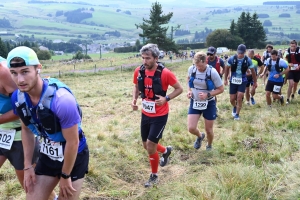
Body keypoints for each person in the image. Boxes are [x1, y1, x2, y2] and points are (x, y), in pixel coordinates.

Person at [7, 46, 89, 200]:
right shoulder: (18, 98)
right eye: (14, 73)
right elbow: (26, 129)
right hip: (48, 153)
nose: (20, 80)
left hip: (74, 155)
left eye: (25, 71)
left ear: (38, 68)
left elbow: (73, 142)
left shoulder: (62, 100)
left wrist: (65, 175)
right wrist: (28, 166)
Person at [0, 57, 57, 200]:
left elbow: (23, 105)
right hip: (1, 133)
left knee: (31, 187)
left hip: (19, 135)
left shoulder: (5, 72)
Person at [131, 43, 183, 187]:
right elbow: (136, 86)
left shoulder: (165, 73)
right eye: (143, 58)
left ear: (156, 58)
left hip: (160, 115)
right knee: (146, 145)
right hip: (145, 113)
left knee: (150, 145)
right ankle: (166, 151)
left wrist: (166, 98)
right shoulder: (139, 71)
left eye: (147, 58)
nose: (144, 61)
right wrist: (134, 99)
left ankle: (154, 175)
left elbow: (179, 89)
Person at [187, 52, 224, 151]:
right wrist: (189, 91)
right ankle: (200, 136)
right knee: (191, 128)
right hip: (195, 102)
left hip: (209, 103)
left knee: (209, 130)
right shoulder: (192, 69)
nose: (198, 68)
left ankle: (209, 145)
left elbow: (221, 89)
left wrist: (207, 94)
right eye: (196, 65)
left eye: (200, 65)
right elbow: (188, 80)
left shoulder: (212, 72)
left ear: (205, 61)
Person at [224, 44, 257, 120]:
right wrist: (225, 79)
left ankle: (237, 114)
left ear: (245, 52)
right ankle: (235, 107)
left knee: (239, 97)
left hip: (243, 80)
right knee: (232, 99)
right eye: (239, 53)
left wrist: (255, 82)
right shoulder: (231, 59)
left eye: (242, 53)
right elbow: (226, 68)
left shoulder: (248, 60)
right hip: (233, 80)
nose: (240, 55)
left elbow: (253, 71)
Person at [206, 46, 225, 116]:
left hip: (215, 80)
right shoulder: (206, 60)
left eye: (211, 54)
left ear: (215, 53)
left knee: (213, 93)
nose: (210, 56)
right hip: (207, 79)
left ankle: (213, 108)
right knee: (211, 94)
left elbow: (224, 67)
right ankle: (212, 107)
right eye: (208, 54)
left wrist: (221, 74)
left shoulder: (220, 60)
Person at [285, 40, 300, 104]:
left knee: (295, 84)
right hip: (291, 70)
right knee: (291, 84)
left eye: (294, 46)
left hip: (298, 70)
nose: (293, 48)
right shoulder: (287, 51)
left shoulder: (299, 50)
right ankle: (287, 99)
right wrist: (289, 64)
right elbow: (285, 59)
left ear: (296, 45)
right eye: (291, 46)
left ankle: (293, 93)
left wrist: (299, 66)